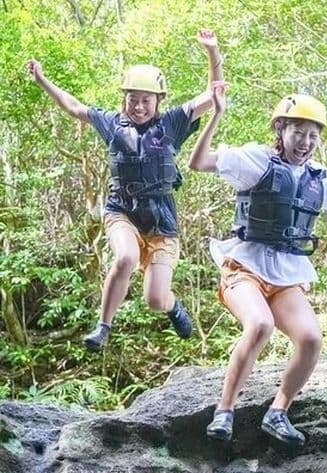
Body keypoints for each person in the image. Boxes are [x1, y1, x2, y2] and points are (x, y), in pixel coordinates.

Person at [188, 83, 327, 444]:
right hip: (243, 268)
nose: (305, 142)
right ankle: (224, 412)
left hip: (285, 276)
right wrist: (216, 114)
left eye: (312, 135)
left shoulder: (317, 179)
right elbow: (198, 162)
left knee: (310, 338)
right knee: (259, 324)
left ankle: (278, 412)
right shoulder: (257, 160)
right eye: (298, 132)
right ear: (281, 130)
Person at [27, 29, 224, 351]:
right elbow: (74, 106)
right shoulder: (112, 123)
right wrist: (43, 81)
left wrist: (212, 52)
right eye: (133, 99)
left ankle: (172, 306)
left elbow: (211, 92)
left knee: (156, 299)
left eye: (146, 100)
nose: (139, 106)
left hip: (162, 221)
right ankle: (103, 327)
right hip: (122, 209)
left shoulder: (172, 123)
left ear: (159, 101)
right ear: (125, 99)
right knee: (126, 258)